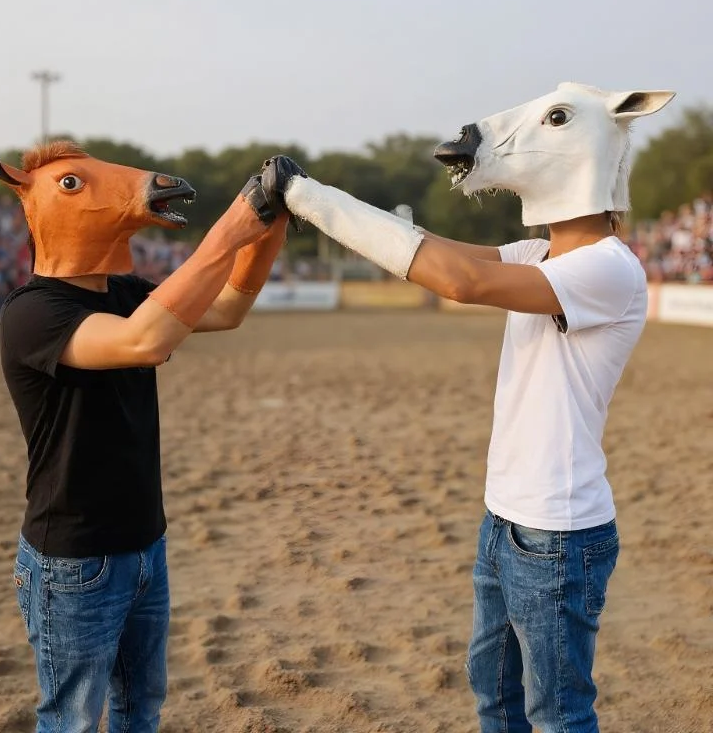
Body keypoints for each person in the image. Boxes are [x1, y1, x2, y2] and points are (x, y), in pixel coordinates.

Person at [259, 83, 675, 732]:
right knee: (494, 692)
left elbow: (462, 281)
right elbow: (437, 248)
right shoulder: (537, 253)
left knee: (558, 713)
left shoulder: (609, 268)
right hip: (506, 517)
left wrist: (310, 199)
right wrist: (330, 202)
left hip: (559, 531)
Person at [0, 141, 288, 733]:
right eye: (73, 184)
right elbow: (143, 341)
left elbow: (227, 309)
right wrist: (231, 229)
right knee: (71, 721)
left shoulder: (124, 293)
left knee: (140, 709)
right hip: (74, 561)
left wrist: (268, 225)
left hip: (146, 544)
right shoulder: (32, 313)